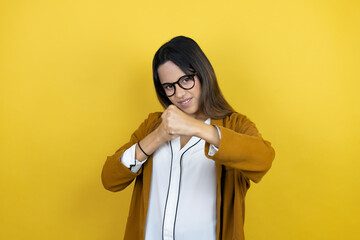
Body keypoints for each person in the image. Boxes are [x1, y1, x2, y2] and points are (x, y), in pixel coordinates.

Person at [101, 36, 275, 240]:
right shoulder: (153, 125)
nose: (179, 94)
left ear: (202, 74)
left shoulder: (234, 125)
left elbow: (264, 159)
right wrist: (157, 136)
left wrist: (197, 128)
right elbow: (110, 179)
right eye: (169, 86)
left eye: (186, 80)